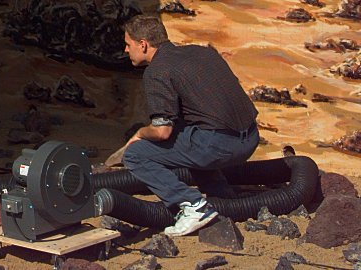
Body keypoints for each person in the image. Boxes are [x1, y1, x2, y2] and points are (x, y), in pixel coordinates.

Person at [104, 14, 259, 237]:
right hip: (250, 137)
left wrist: (139, 133)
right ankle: (222, 197)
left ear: (143, 44)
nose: (126, 50)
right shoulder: (202, 53)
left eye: (128, 44)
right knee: (188, 134)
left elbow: (161, 131)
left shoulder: (157, 71)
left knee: (135, 155)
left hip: (220, 146)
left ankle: (193, 206)